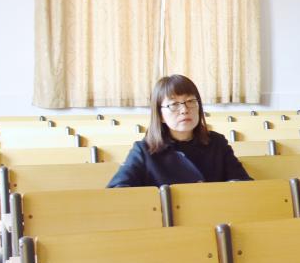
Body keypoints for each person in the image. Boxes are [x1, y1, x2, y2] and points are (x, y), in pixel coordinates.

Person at [107, 74, 250, 187]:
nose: (184, 110)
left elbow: (244, 183)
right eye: (174, 104)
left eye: (191, 101)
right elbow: (118, 191)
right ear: (160, 115)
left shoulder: (217, 143)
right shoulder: (144, 150)